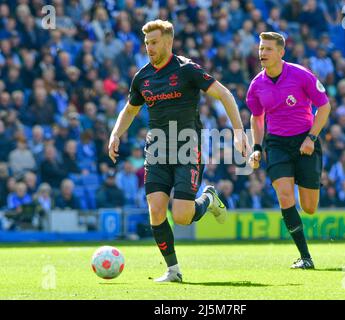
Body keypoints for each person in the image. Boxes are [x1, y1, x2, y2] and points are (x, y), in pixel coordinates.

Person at [108, 20, 249, 282]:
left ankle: (208, 198)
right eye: (146, 43)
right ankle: (173, 270)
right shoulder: (142, 77)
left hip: (187, 148)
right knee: (157, 210)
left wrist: (239, 132)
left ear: (168, 42)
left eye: (154, 42)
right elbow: (130, 110)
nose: (149, 48)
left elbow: (225, 94)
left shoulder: (187, 70)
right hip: (157, 150)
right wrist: (116, 134)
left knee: (182, 216)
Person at [247, 32, 331, 269]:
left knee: (309, 207)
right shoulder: (256, 85)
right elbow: (256, 117)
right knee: (284, 196)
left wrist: (311, 137)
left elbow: (324, 107)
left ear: (281, 52)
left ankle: (307, 183)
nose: (262, 53)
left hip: (305, 142)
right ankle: (305, 257)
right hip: (277, 144)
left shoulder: (301, 75)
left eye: (268, 49)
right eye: (261, 49)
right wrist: (256, 147)